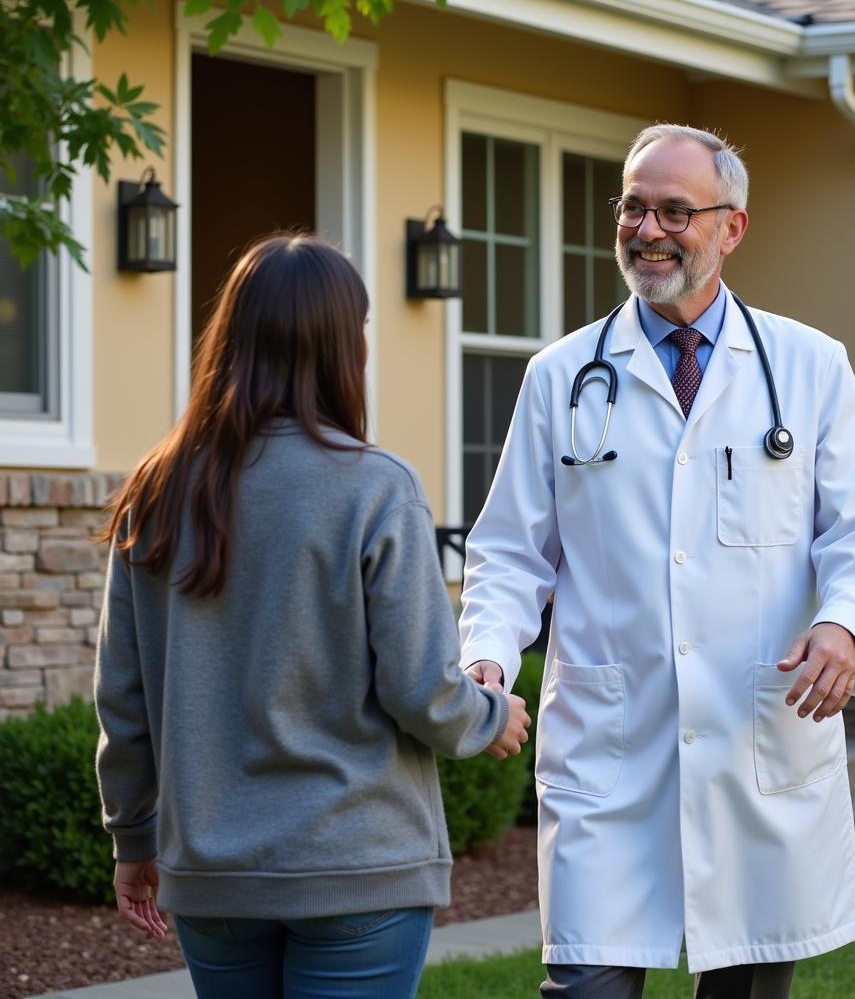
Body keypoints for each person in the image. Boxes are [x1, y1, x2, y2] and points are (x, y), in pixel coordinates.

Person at [460, 125, 855, 999]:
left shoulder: (809, 367)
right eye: (632, 206)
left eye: (675, 210)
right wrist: (487, 654)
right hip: (609, 745)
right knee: (586, 986)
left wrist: (846, 627)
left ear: (731, 227)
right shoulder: (561, 376)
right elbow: (510, 550)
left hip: (754, 737)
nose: (647, 229)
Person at [93, 233, 531, 999]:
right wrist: (490, 717)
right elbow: (420, 687)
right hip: (358, 870)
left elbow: (123, 701)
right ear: (340, 346)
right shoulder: (375, 487)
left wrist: (132, 838)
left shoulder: (155, 491)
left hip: (213, 876)